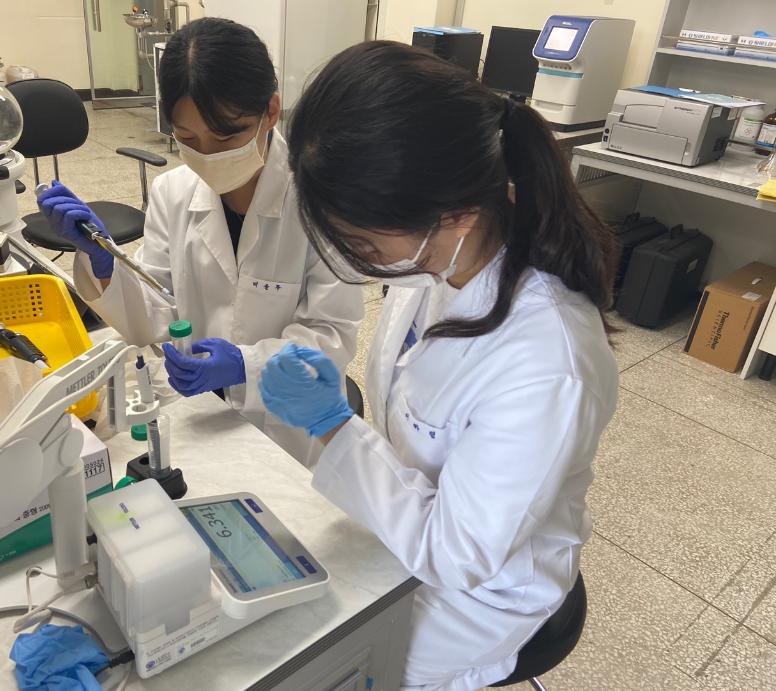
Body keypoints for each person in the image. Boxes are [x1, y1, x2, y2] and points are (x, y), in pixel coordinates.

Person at [258, 42, 620, 690]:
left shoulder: (546, 363)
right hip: (408, 532)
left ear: (455, 213)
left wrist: (336, 428)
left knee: (321, 667)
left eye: (364, 243)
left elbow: (458, 553)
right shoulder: (439, 264)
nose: (361, 258)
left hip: (481, 593)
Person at [36, 18, 362, 466]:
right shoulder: (173, 192)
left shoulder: (323, 203)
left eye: (227, 136)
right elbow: (156, 315)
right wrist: (107, 264)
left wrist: (246, 366)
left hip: (289, 427)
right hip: (199, 412)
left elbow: (333, 334)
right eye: (188, 138)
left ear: (270, 111)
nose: (209, 156)